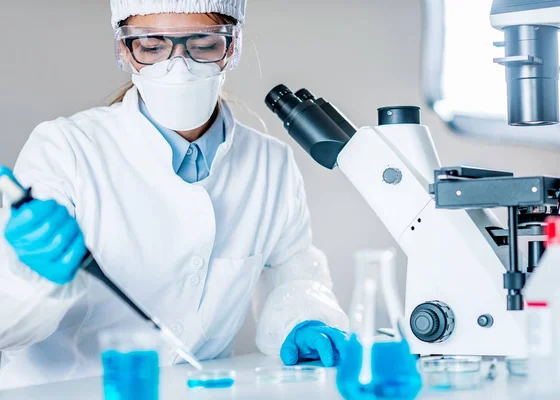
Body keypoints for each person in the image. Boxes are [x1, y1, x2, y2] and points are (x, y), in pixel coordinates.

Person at [0, 0, 348, 389]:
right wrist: (28, 277)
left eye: (203, 45)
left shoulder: (271, 163)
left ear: (231, 48)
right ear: (123, 49)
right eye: (151, 47)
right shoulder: (65, 148)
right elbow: (5, 327)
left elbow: (292, 274)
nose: (178, 66)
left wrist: (303, 320)